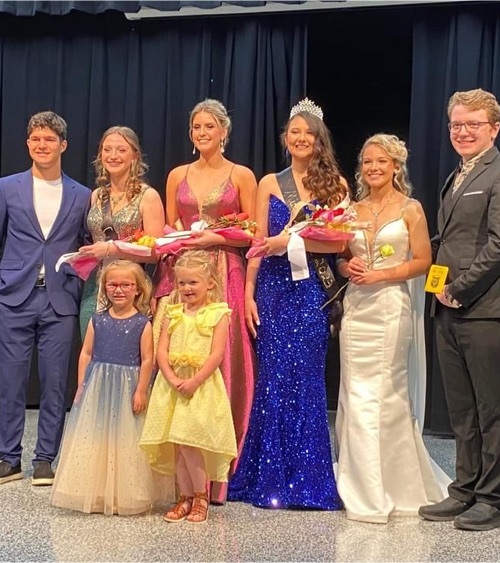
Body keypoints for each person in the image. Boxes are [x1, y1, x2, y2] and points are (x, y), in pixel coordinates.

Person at [418, 88, 500, 531]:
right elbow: (448, 242)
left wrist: (459, 290)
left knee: (493, 409)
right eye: (456, 124)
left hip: (487, 310)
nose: (462, 132)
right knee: (462, 410)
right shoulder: (457, 175)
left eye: (472, 125)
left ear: (494, 128)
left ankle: (494, 501)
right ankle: (464, 489)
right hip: (447, 308)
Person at [227, 98, 347, 510]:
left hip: (313, 289)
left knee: (308, 378)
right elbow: (260, 242)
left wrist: (291, 240)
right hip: (274, 291)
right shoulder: (269, 182)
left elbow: (339, 241)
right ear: (285, 138)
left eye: (307, 133)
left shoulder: (337, 185)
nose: (300, 138)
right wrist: (247, 293)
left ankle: (308, 480)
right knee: (274, 379)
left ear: (319, 140)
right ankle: (269, 476)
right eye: (294, 132)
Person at [335, 134, 449, 523]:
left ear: (396, 167)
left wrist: (385, 274)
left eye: (381, 162)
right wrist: (344, 267)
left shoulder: (411, 209)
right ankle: (361, 485)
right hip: (357, 309)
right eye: (367, 162)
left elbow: (424, 261)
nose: (373, 168)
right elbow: (340, 256)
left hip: (390, 308)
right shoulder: (350, 209)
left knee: (387, 390)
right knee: (356, 391)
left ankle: (397, 483)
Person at [0, 111, 91, 486]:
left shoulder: (81, 195)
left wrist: (75, 282)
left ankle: (46, 459)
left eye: (49, 140)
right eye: (35, 140)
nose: (42, 146)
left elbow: (87, 249)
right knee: (10, 381)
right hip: (13, 298)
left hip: (58, 301)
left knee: (56, 382)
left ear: (63, 145)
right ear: (28, 144)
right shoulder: (7, 187)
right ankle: (9, 459)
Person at [156, 99, 257, 503]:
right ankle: (186, 479)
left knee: (224, 361)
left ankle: (220, 475)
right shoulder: (177, 174)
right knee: (183, 354)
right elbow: (167, 226)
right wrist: (177, 242)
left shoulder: (241, 174)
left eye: (209, 127)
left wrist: (217, 237)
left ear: (224, 132)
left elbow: (252, 230)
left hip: (224, 271)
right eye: (196, 127)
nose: (202, 133)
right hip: (183, 270)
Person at [50, 260, 171, 515]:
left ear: (137, 289)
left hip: (127, 387)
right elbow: (86, 352)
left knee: (125, 438)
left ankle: (124, 494)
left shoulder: (142, 323)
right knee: (98, 435)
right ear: (104, 288)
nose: (119, 290)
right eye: (112, 284)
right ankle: (98, 490)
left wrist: (141, 390)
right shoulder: (97, 320)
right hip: (99, 385)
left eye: (126, 285)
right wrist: (82, 384)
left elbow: (148, 359)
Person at [140, 250, 238, 524]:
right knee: (178, 444)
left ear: (210, 283)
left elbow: (217, 354)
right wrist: (171, 377)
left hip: (200, 385)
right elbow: (162, 349)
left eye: (193, 282)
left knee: (191, 444)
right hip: (172, 385)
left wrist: (194, 380)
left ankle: (200, 496)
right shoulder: (172, 313)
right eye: (181, 283)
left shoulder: (218, 314)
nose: (186, 288)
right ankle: (183, 497)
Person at [77, 126, 165, 340]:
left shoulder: (148, 196)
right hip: (96, 287)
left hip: (131, 287)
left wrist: (112, 248)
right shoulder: (97, 195)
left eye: (121, 150)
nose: (113, 156)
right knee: (93, 353)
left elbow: (156, 252)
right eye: (107, 150)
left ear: (135, 155)